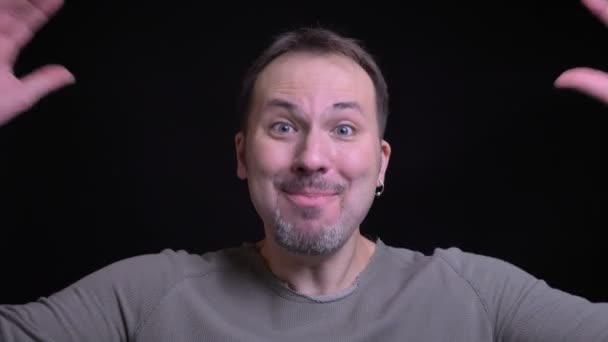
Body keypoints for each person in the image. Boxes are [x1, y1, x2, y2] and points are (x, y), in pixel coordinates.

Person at [1, 0, 608, 341]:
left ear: (381, 163)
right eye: (284, 125)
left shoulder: (480, 300)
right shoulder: (143, 301)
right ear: (242, 155)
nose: (313, 157)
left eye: (344, 128)